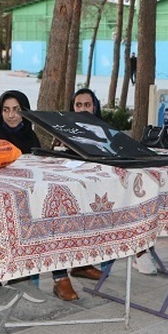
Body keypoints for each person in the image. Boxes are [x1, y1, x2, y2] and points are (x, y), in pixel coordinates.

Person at [0, 90, 47, 308]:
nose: (11, 115)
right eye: (6, 110)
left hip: (23, 195)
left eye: (17, 110)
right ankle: (10, 280)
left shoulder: (29, 134)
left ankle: (23, 276)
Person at [49, 89, 109, 301]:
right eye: (78, 105)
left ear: (95, 107)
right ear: (72, 107)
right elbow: (53, 160)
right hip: (64, 192)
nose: (83, 109)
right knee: (60, 224)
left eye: (87, 105)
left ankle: (82, 265)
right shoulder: (62, 130)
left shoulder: (104, 130)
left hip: (90, 189)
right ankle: (60, 278)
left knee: (93, 220)